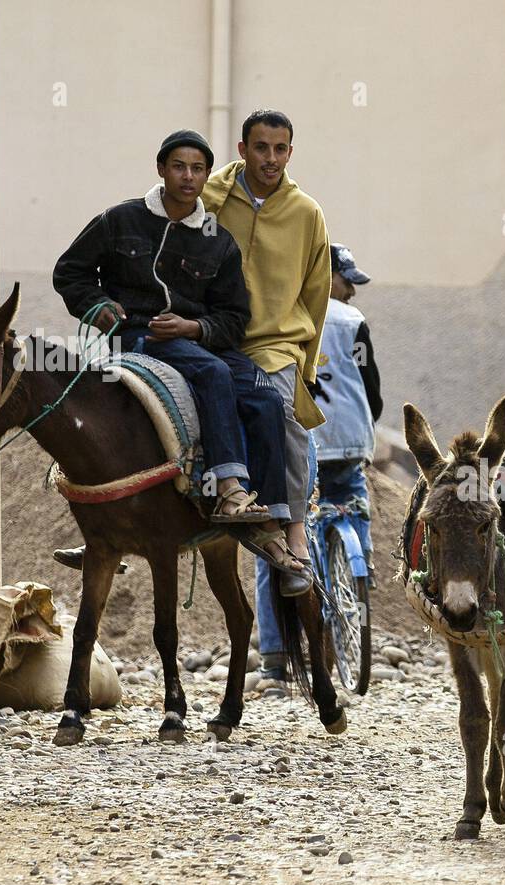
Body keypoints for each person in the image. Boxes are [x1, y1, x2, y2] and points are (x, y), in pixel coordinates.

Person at [51, 130, 304, 576]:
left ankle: (271, 521)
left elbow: (233, 317)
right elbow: (70, 272)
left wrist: (195, 326)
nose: (188, 177)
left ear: (207, 175)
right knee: (210, 374)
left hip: (195, 340)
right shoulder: (119, 220)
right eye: (179, 167)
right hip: (136, 338)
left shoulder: (216, 241)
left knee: (268, 398)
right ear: (161, 169)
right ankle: (229, 487)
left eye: (198, 168)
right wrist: (96, 306)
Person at [203, 109, 331, 612]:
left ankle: (294, 531)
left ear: (290, 153)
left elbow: (317, 295)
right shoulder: (209, 195)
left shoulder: (307, 213)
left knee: (285, 419)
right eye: (261, 148)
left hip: (275, 343)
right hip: (211, 336)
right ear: (242, 149)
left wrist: (307, 364)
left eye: (280, 150)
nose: (270, 159)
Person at [311, 244, 383, 583]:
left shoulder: (292, 315)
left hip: (308, 440)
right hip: (351, 439)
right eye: (347, 281)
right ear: (327, 277)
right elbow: (369, 380)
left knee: (298, 516)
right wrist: (371, 417)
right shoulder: (353, 322)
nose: (352, 291)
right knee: (354, 499)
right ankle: (360, 574)